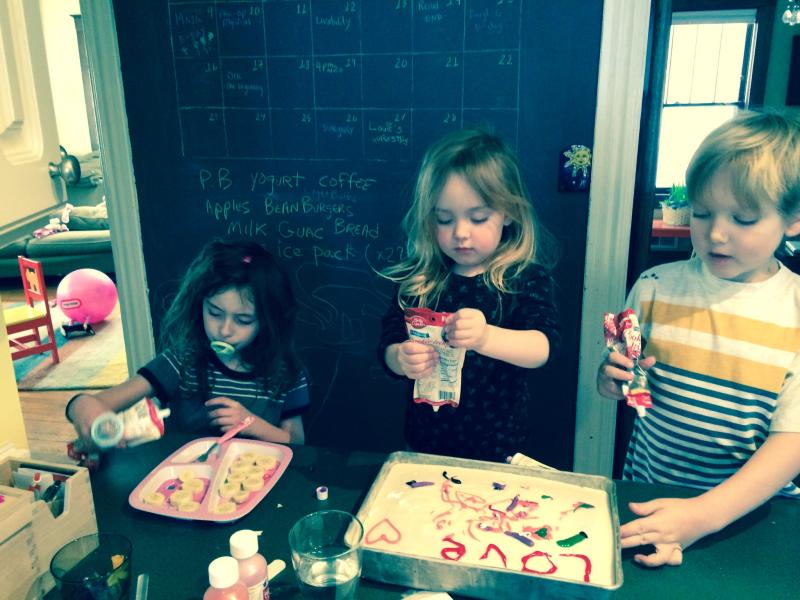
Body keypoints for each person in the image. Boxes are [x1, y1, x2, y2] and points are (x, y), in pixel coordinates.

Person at [597, 111, 800, 567]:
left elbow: (792, 443)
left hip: (754, 516)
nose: (716, 233)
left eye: (744, 218)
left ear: (793, 219)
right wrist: (611, 379)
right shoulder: (652, 286)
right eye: (702, 213)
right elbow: (622, 382)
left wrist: (702, 516)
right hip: (650, 496)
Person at [378, 127, 561, 462]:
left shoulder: (523, 278)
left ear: (508, 212)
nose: (460, 233)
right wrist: (400, 358)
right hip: (423, 447)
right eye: (444, 219)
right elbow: (389, 338)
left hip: (498, 453)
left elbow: (542, 347)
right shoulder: (419, 280)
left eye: (478, 218)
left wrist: (486, 338)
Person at [67, 239, 308, 446]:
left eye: (243, 320)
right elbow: (93, 403)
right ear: (199, 305)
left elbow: (296, 441)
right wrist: (84, 411)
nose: (224, 330)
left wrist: (251, 424)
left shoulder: (285, 372)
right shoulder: (181, 360)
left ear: (266, 321)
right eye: (214, 313)